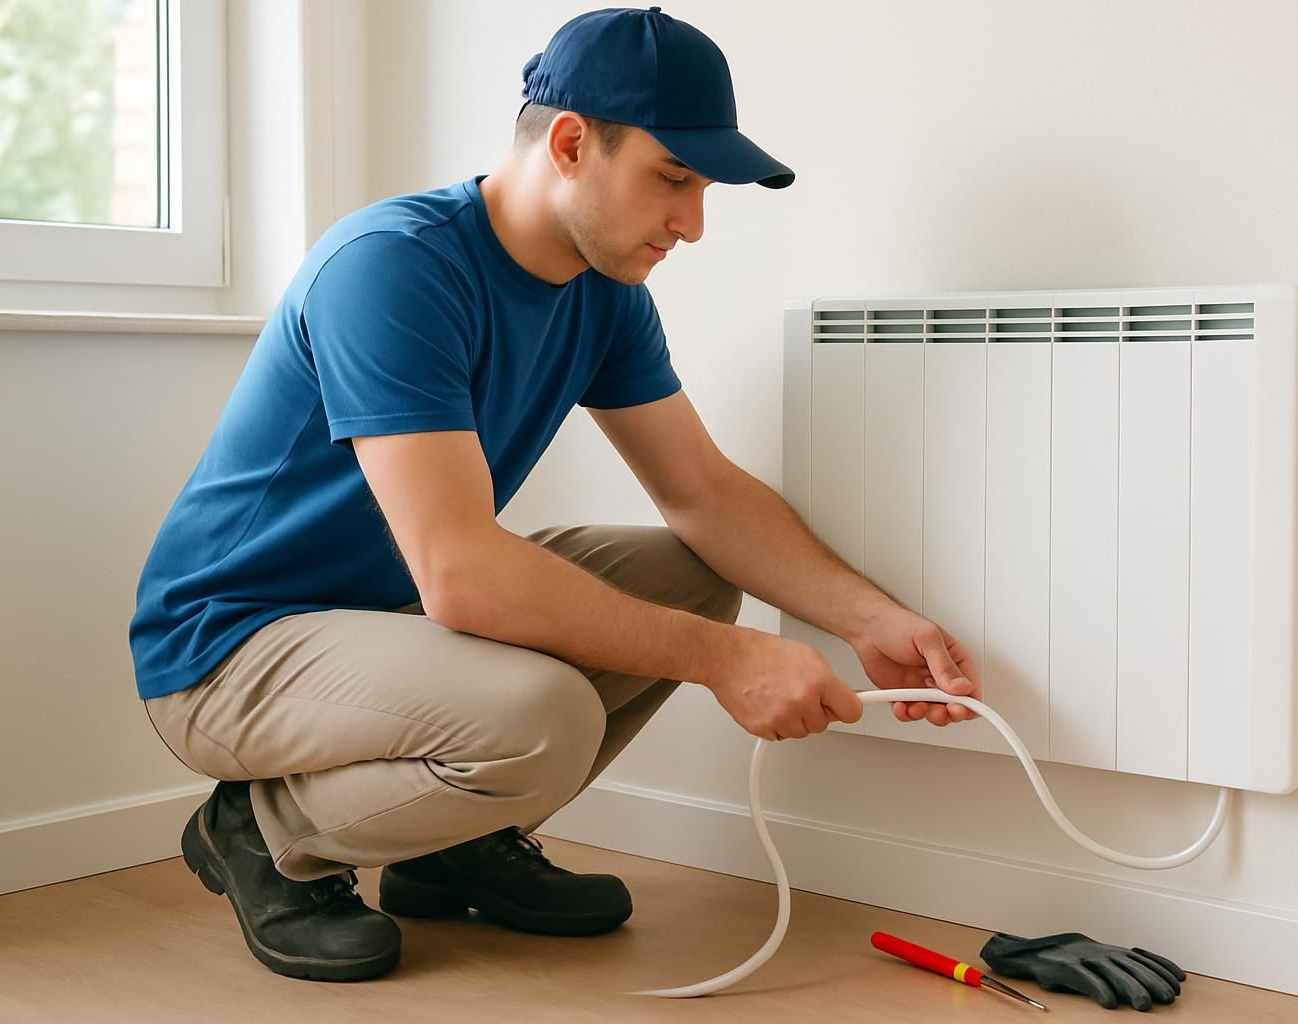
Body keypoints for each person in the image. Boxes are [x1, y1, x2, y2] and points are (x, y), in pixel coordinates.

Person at [128, 6, 981, 983]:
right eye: (673, 178)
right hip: (229, 646)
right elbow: (459, 574)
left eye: (703, 190)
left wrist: (869, 618)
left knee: (689, 575)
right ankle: (261, 829)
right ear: (571, 143)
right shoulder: (393, 266)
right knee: (546, 716)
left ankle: (450, 844)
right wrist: (729, 661)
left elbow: (703, 493)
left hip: (387, 620)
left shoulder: (605, 294)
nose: (692, 225)